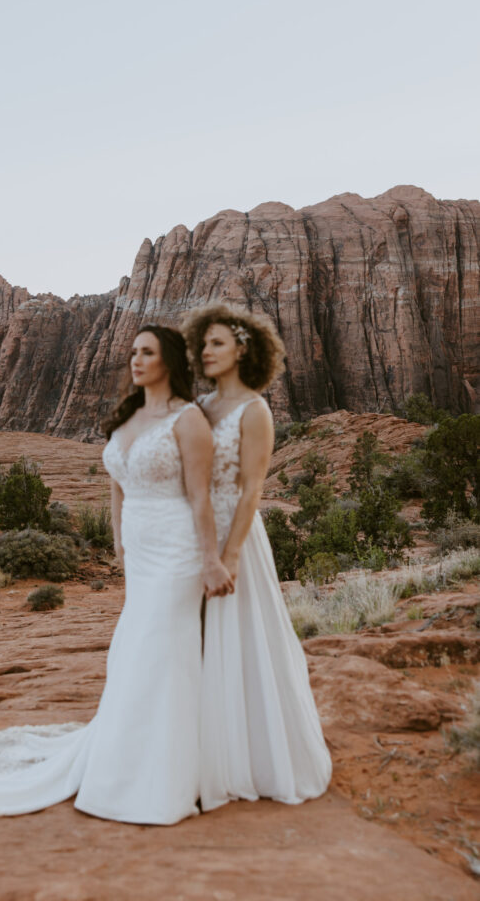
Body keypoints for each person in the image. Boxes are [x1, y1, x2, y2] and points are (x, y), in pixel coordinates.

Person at [0, 325, 232, 824]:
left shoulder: (188, 419)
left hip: (177, 551)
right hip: (142, 555)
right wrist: (118, 540)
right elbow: (117, 485)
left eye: (147, 352)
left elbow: (200, 496)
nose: (135, 359)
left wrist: (211, 559)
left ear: (169, 361)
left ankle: (167, 772)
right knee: (133, 648)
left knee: (162, 648)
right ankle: (129, 754)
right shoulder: (128, 417)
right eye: (132, 351)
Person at [181, 302, 332, 810]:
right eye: (204, 343)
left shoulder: (256, 410)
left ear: (243, 349)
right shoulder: (200, 406)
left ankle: (249, 759)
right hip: (193, 536)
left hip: (236, 536)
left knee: (241, 639)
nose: (207, 350)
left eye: (218, 343)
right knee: (193, 642)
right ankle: (195, 756)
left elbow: (252, 490)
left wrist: (232, 555)